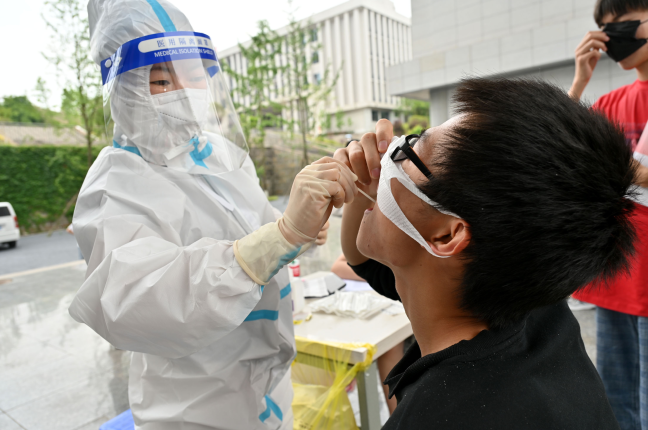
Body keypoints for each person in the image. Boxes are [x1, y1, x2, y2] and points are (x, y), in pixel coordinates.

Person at [68, 0, 357, 428]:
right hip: (192, 405)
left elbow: (256, 227)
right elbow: (140, 301)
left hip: (268, 385)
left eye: (193, 75)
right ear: (123, 86)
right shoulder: (116, 183)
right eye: (162, 80)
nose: (185, 92)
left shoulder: (218, 152)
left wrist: (300, 227)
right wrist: (280, 235)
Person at [335, 77, 636, 429]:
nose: (390, 153)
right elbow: (370, 261)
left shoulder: (435, 418)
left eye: (412, 148)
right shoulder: (531, 303)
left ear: (448, 235)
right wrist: (366, 189)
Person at [569, 1, 648, 427]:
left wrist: (615, 167)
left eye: (624, 23)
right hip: (617, 274)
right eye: (604, 26)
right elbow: (558, 157)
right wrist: (579, 82)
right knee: (616, 408)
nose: (611, 34)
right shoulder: (610, 103)